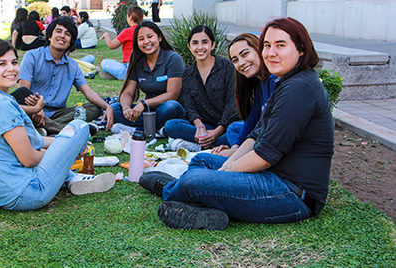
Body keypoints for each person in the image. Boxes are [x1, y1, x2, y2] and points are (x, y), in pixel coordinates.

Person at [140, 17, 334, 231]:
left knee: (195, 180)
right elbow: (256, 133)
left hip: (290, 193)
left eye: (280, 45)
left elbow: (264, 156)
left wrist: (223, 172)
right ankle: (206, 207)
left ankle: (171, 190)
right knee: (203, 160)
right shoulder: (285, 82)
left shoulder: (300, 88)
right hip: (272, 175)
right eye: (267, 46)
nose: (271, 52)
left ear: (302, 49)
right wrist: (229, 158)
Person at [0, 38, 115, 211]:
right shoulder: (2, 105)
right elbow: (29, 159)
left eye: (14, 62)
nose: (11, 68)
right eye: (1, 63)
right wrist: (65, 154)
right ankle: (70, 177)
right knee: (80, 126)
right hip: (25, 192)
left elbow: (34, 140)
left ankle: (72, 179)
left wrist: (66, 147)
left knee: (64, 139)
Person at [19, 17, 114, 135]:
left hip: (59, 114)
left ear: (70, 41)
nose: (62, 36)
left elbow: (88, 92)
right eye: (58, 31)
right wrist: (36, 108)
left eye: (67, 34)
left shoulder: (72, 65)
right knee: (22, 111)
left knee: (94, 109)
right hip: (33, 110)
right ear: (49, 36)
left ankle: (48, 128)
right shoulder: (32, 56)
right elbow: (23, 90)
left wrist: (107, 107)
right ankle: (70, 130)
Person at [164, 26, 240, 150]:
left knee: (239, 129)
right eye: (195, 43)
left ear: (213, 45)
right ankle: (208, 143)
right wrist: (199, 126)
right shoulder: (188, 73)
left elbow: (233, 102)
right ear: (189, 46)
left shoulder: (227, 67)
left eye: (205, 42)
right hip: (203, 127)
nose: (200, 47)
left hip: (226, 126)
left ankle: (200, 145)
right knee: (171, 125)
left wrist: (218, 130)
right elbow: (189, 106)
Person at [111, 21, 185, 132]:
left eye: (150, 36)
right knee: (115, 108)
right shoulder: (138, 60)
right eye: (141, 39)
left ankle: (139, 129)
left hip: (166, 109)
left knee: (171, 106)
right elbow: (127, 93)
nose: (146, 42)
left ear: (159, 37)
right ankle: (156, 129)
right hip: (148, 112)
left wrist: (144, 104)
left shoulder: (173, 58)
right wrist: (126, 108)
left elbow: (172, 95)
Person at [213, 33, 278, 155]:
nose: (241, 63)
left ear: (259, 50)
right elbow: (253, 118)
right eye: (235, 60)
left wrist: (236, 154)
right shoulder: (260, 83)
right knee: (234, 129)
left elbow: (269, 128)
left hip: (272, 143)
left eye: (245, 54)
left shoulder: (274, 80)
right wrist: (236, 147)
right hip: (260, 134)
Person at [99, 6, 144, 80]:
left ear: (130, 18)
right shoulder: (146, 30)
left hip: (130, 70)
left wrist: (106, 35)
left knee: (104, 63)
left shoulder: (128, 31)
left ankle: (119, 75)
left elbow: (111, 45)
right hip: (145, 68)